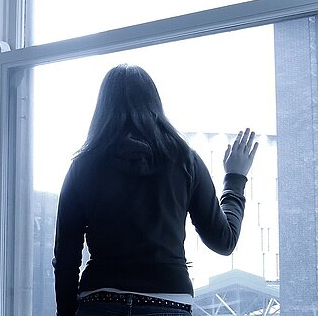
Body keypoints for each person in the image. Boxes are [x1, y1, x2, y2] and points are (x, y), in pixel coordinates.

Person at [52, 64, 258, 316]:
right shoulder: (185, 161)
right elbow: (223, 242)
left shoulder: (83, 166)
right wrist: (235, 179)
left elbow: (66, 257)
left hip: (100, 302)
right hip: (168, 302)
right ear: (154, 104)